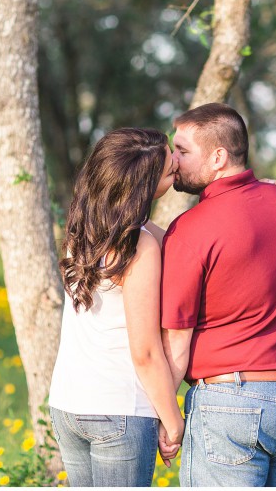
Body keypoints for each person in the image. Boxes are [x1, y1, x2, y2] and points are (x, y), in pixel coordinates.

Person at [159, 103, 276, 486]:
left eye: (183, 151)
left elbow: (178, 340)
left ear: (218, 157)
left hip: (228, 402)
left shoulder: (190, 229)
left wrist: (165, 416)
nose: (174, 161)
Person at [47, 127, 184, 487]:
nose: (178, 169)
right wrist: (173, 422)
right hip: (118, 409)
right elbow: (146, 353)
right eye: (171, 170)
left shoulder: (82, 229)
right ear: (144, 186)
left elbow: (168, 238)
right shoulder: (138, 246)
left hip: (67, 403)